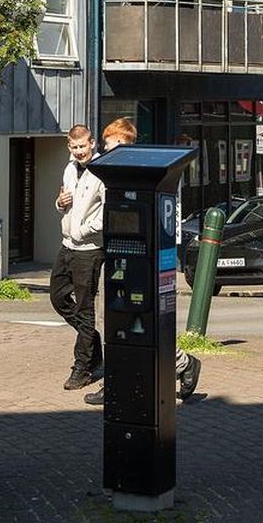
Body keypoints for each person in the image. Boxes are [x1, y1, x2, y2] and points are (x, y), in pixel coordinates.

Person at [84, 118, 202, 406]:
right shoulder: (103, 171)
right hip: (114, 255)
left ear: (125, 144)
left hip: (140, 261)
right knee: (114, 321)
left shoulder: (143, 173)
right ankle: (115, 381)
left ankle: (182, 363)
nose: (105, 150)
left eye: (110, 144)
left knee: (143, 322)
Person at [49, 123, 104, 390]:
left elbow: (107, 212)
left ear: (92, 143)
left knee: (84, 307)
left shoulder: (103, 170)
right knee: (57, 297)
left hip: (89, 249)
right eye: (74, 147)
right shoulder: (70, 168)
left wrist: (83, 230)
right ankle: (91, 339)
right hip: (67, 244)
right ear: (68, 146)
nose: (79, 151)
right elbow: (63, 200)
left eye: (83, 146)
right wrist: (60, 204)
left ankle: (83, 367)